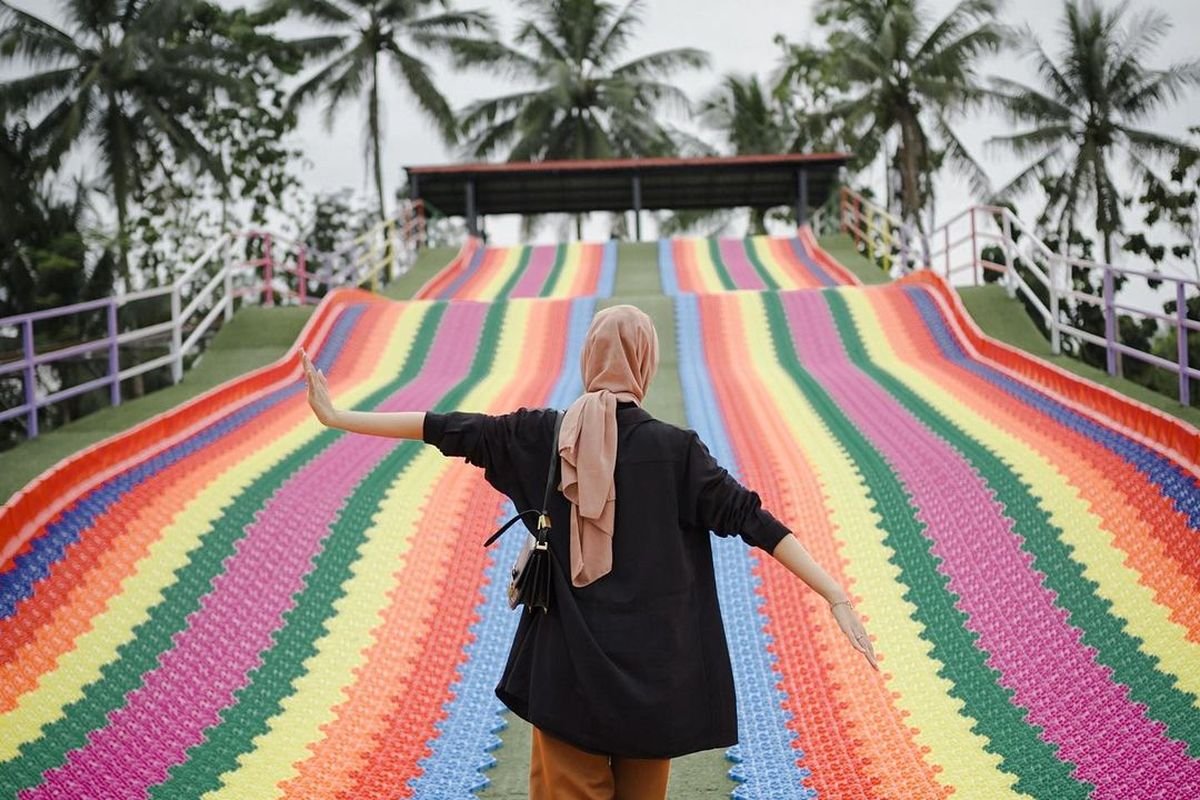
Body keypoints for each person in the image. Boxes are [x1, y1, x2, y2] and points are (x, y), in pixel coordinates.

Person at [301, 304, 877, 800]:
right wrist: (834, 593)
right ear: (644, 362)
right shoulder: (677, 453)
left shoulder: (541, 436)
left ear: (590, 358)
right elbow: (756, 521)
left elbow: (445, 428)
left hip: (565, 674)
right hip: (656, 680)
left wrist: (337, 416)